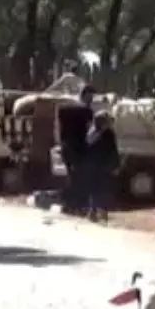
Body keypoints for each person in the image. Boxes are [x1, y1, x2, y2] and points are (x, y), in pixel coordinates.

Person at [57, 83, 96, 214]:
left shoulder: (64, 108)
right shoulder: (86, 111)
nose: (92, 100)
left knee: (72, 176)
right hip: (79, 149)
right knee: (80, 177)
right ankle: (76, 205)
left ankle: (70, 205)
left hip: (66, 148)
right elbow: (92, 130)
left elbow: (58, 128)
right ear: (85, 96)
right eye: (91, 97)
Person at [83, 111, 120, 222]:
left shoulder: (107, 133)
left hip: (103, 166)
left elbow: (113, 150)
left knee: (103, 189)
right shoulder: (94, 133)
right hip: (97, 166)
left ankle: (102, 212)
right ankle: (94, 212)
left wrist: (115, 164)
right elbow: (89, 147)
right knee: (96, 189)